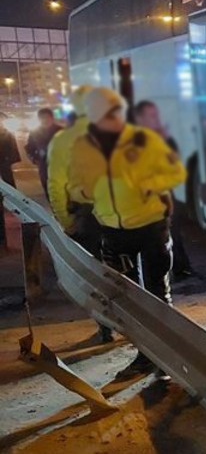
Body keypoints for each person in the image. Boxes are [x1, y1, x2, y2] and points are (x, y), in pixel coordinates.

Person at [68, 87, 186, 376]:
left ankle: (167, 355)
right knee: (128, 299)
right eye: (105, 114)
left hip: (151, 226)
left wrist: (153, 184)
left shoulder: (143, 139)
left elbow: (176, 173)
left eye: (115, 112)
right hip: (113, 231)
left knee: (159, 293)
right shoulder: (84, 146)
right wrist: (85, 190)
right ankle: (145, 354)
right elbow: (73, 185)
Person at [48, 86, 113, 342]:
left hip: (87, 217)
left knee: (94, 273)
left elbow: (55, 186)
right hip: (119, 211)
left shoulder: (63, 140)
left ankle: (105, 329)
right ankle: (139, 332)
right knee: (125, 272)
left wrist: (66, 221)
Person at [134, 100, 195, 279]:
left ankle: (180, 267)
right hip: (147, 201)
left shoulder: (162, 137)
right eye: (152, 116)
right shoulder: (134, 141)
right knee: (156, 243)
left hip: (166, 195)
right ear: (140, 118)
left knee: (173, 233)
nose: (157, 119)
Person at [25, 108, 62, 196]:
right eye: (42, 118)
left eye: (47, 117)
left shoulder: (61, 131)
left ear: (52, 118)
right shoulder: (35, 133)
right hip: (44, 167)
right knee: (49, 191)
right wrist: (35, 159)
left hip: (61, 167)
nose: (45, 120)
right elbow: (30, 148)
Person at [0, 120, 20, 248]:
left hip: (4, 163)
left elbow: (13, 149)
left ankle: (12, 202)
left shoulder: (7, 134)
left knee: (8, 182)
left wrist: (10, 159)